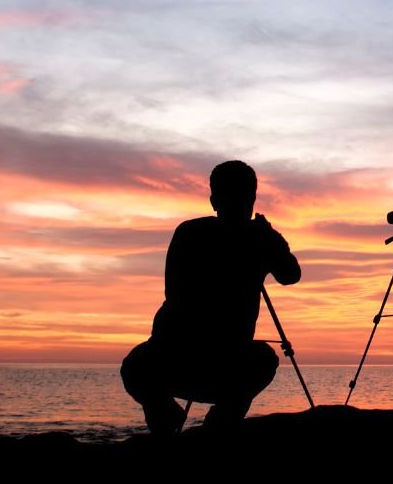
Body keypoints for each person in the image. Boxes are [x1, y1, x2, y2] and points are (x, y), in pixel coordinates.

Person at [122, 160, 301, 433]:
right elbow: (290, 274)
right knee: (264, 359)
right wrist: (273, 239)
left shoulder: (189, 232)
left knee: (135, 366)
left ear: (213, 200)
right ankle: (217, 423)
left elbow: (173, 292)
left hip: (176, 358)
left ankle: (172, 421)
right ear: (251, 198)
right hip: (220, 363)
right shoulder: (258, 239)